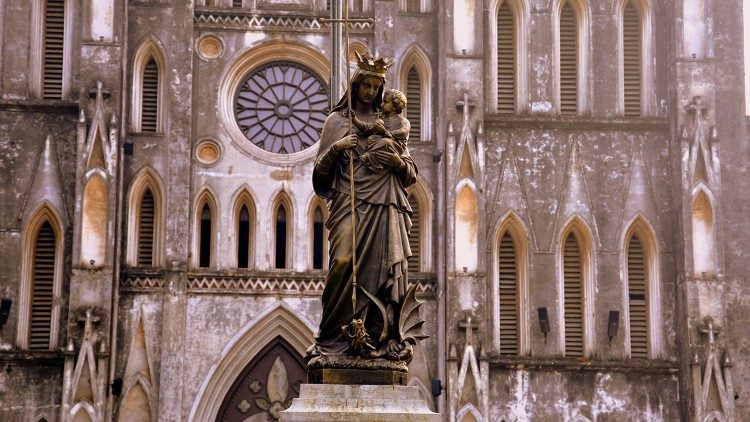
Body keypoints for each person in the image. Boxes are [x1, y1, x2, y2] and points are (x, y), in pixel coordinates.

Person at [310, 53, 418, 360]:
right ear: (356, 85)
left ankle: (378, 336)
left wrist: (397, 161)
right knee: (343, 260)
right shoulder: (338, 120)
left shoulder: (391, 122)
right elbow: (319, 176)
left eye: (376, 86)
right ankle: (332, 338)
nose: (370, 92)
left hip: (385, 204)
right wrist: (336, 148)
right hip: (349, 199)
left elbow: (410, 172)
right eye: (366, 85)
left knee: (385, 270)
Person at [351, 89, 410, 171]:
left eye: (385, 102)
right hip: (381, 147)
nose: (381, 105)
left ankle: (369, 156)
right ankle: (373, 160)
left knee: (386, 141)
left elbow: (402, 132)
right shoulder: (380, 119)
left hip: (395, 147)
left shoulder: (403, 121)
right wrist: (354, 120)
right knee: (372, 138)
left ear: (395, 106)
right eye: (382, 101)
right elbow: (367, 127)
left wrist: (385, 132)